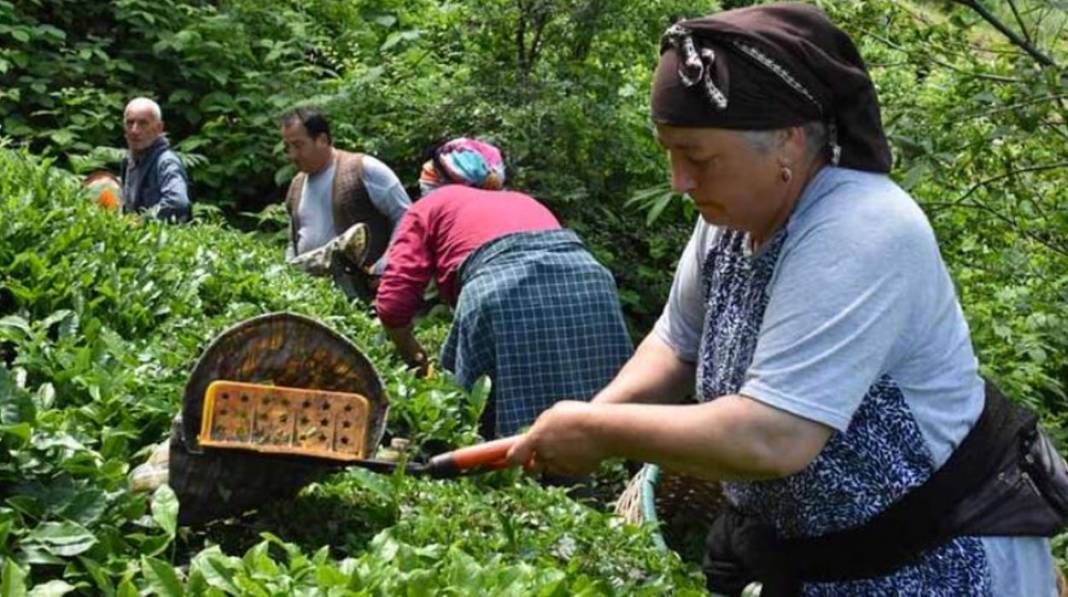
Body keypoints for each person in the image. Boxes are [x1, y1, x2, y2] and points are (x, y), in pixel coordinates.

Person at [505, 4, 1064, 595]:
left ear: (789, 145)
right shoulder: (729, 220)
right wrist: (588, 419)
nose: (678, 180)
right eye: (669, 150)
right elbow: (676, 345)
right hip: (822, 563)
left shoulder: (862, 227)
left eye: (697, 156)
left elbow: (774, 436)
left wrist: (600, 432)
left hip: (934, 565)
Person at [375, 138, 633, 438]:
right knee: (597, 408)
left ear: (438, 182)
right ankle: (604, 478)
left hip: (500, 290)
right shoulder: (525, 200)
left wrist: (417, 361)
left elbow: (393, 303)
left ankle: (509, 479)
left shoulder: (429, 205)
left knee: (476, 423)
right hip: (593, 284)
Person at [280, 107, 411, 300]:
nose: (292, 154)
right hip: (314, 298)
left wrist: (387, 264)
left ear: (322, 140)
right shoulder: (297, 185)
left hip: (368, 291)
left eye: (298, 145)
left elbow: (407, 216)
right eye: (287, 147)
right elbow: (294, 238)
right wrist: (289, 273)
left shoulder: (363, 169)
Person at [119, 97, 191, 222]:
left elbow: (178, 202)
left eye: (143, 123)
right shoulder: (128, 162)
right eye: (130, 122)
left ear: (159, 128)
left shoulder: (166, 162)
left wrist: (142, 220)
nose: (134, 130)